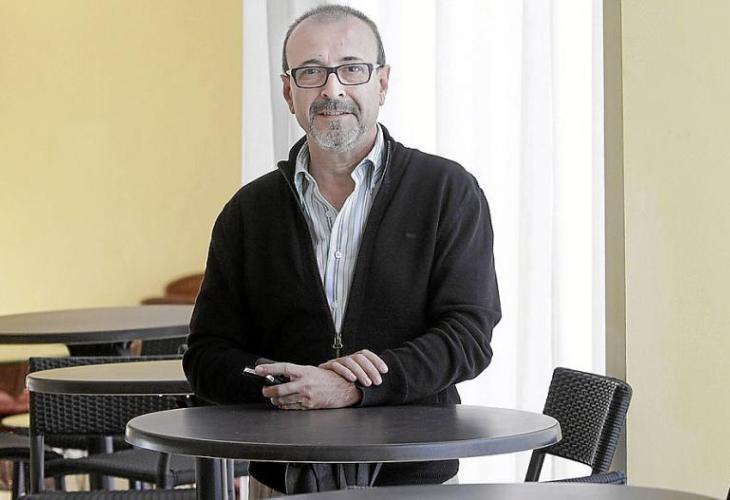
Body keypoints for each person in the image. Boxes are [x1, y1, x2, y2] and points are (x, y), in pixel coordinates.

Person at [183, 4, 501, 497]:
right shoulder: (248, 211)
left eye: (352, 68)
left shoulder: (447, 192)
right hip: (284, 476)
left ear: (382, 83)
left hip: (415, 476)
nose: (332, 89)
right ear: (288, 91)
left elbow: (467, 337)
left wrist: (357, 386)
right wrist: (289, 386)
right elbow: (207, 354)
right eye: (311, 72)